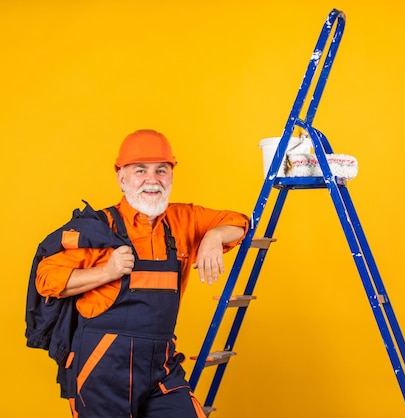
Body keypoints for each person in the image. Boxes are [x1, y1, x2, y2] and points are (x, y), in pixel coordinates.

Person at [34, 129, 249, 418]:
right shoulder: (98, 227)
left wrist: (214, 236)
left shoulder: (183, 220)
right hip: (102, 370)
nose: (152, 179)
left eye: (161, 170)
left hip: (160, 367)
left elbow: (239, 222)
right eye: (140, 170)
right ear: (121, 178)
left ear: (171, 176)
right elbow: (46, 280)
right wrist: (106, 271)